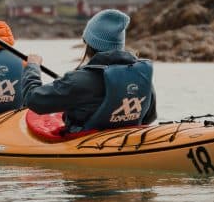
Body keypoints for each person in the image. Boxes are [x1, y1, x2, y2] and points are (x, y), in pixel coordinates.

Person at [22, 9, 156, 133]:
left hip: (86, 145)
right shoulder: (140, 75)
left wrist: (33, 67)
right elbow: (149, 117)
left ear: (89, 43)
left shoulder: (78, 81)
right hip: (128, 141)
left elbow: (33, 100)